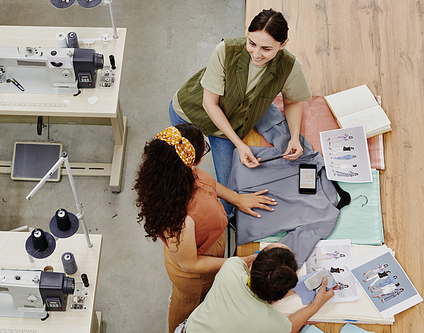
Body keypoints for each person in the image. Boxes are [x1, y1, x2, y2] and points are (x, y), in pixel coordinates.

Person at [134, 124, 277, 333]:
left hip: (207, 245)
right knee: (188, 312)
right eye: (205, 150)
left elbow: (209, 183)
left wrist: (237, 198)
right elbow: (190, 264)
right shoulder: (180, 220)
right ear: (191, 159)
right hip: (194, 274)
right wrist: (236, 262)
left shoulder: (181, 173)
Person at [168, 9, 311, 212]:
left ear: (283, 44)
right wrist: (239, 144)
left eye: (266, 48)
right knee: (184, 170)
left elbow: (294, 101)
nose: (256, 54)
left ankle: (227, 221)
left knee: (231, 193)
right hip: (191, 112)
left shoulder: (289, 66)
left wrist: (294, 137)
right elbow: (210, 104)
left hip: (229, 123)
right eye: (252, 43)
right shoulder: (225, 50)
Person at [174, 243, 337, 333]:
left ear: (253, 266)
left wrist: (262, 258)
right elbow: (291, 327)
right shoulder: (274, 325)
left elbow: (242, 262)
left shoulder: (231, 267)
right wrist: (317, 304)